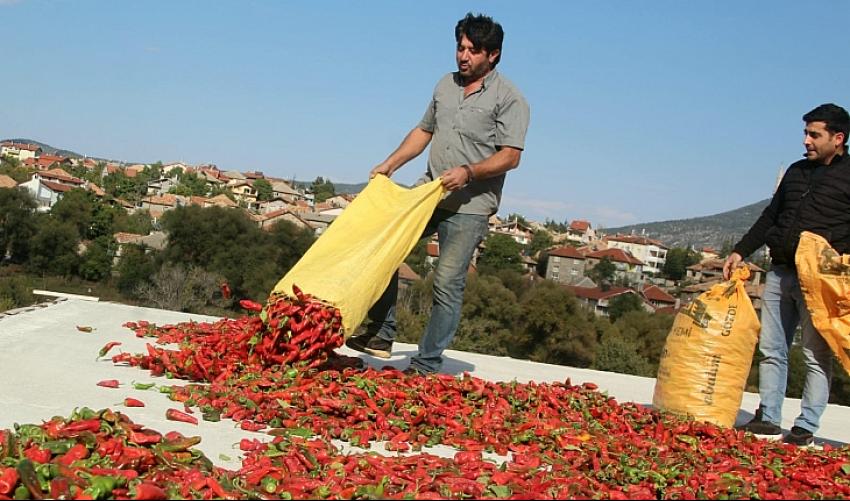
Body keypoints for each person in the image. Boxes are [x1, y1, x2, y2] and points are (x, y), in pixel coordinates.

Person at [345, 12, 530, 375]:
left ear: (493, 55)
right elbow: (423, 132)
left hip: (470, 205)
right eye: (460, 48)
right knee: (386, 248)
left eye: (473, 50)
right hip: (430, 192)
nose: (463, 56)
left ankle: (427, 362)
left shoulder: (510, 98)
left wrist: (469, 172)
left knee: (446, 282)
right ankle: (381, 333)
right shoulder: (445, 85)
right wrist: (390, 164)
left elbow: (511, 156)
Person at [724, 103, 850, 447]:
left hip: (820, 283)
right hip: (780, 272)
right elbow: (770, 216)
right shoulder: (796, 171)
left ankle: (805, 426)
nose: (806, 141)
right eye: (805, 133)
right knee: (771, 348)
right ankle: (768, 417)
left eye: (814, 134)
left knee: (815, 354)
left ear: (838, 138)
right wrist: (740, 250)